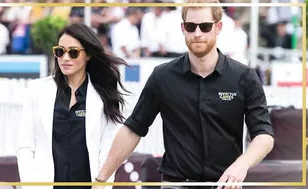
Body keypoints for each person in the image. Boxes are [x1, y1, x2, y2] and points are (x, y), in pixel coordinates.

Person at [93, 0, 275, 189]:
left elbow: (264, 134)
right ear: (183, 28)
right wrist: (101, 179)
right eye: (191, 26)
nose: (197, 34)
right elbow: (133, 129)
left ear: (218, 27)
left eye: (205, 27)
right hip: (175, 184)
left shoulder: (244, 77)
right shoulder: (162, 76)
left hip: (225, 185)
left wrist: (242, 164)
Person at [16, 23, 129, 189]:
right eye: (60, 51)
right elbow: (25, 147)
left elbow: (107, 153)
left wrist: (101, 185)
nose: (65, 58)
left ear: (88, 55)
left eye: (73, 52)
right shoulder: (37, 91)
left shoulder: (105, 97)